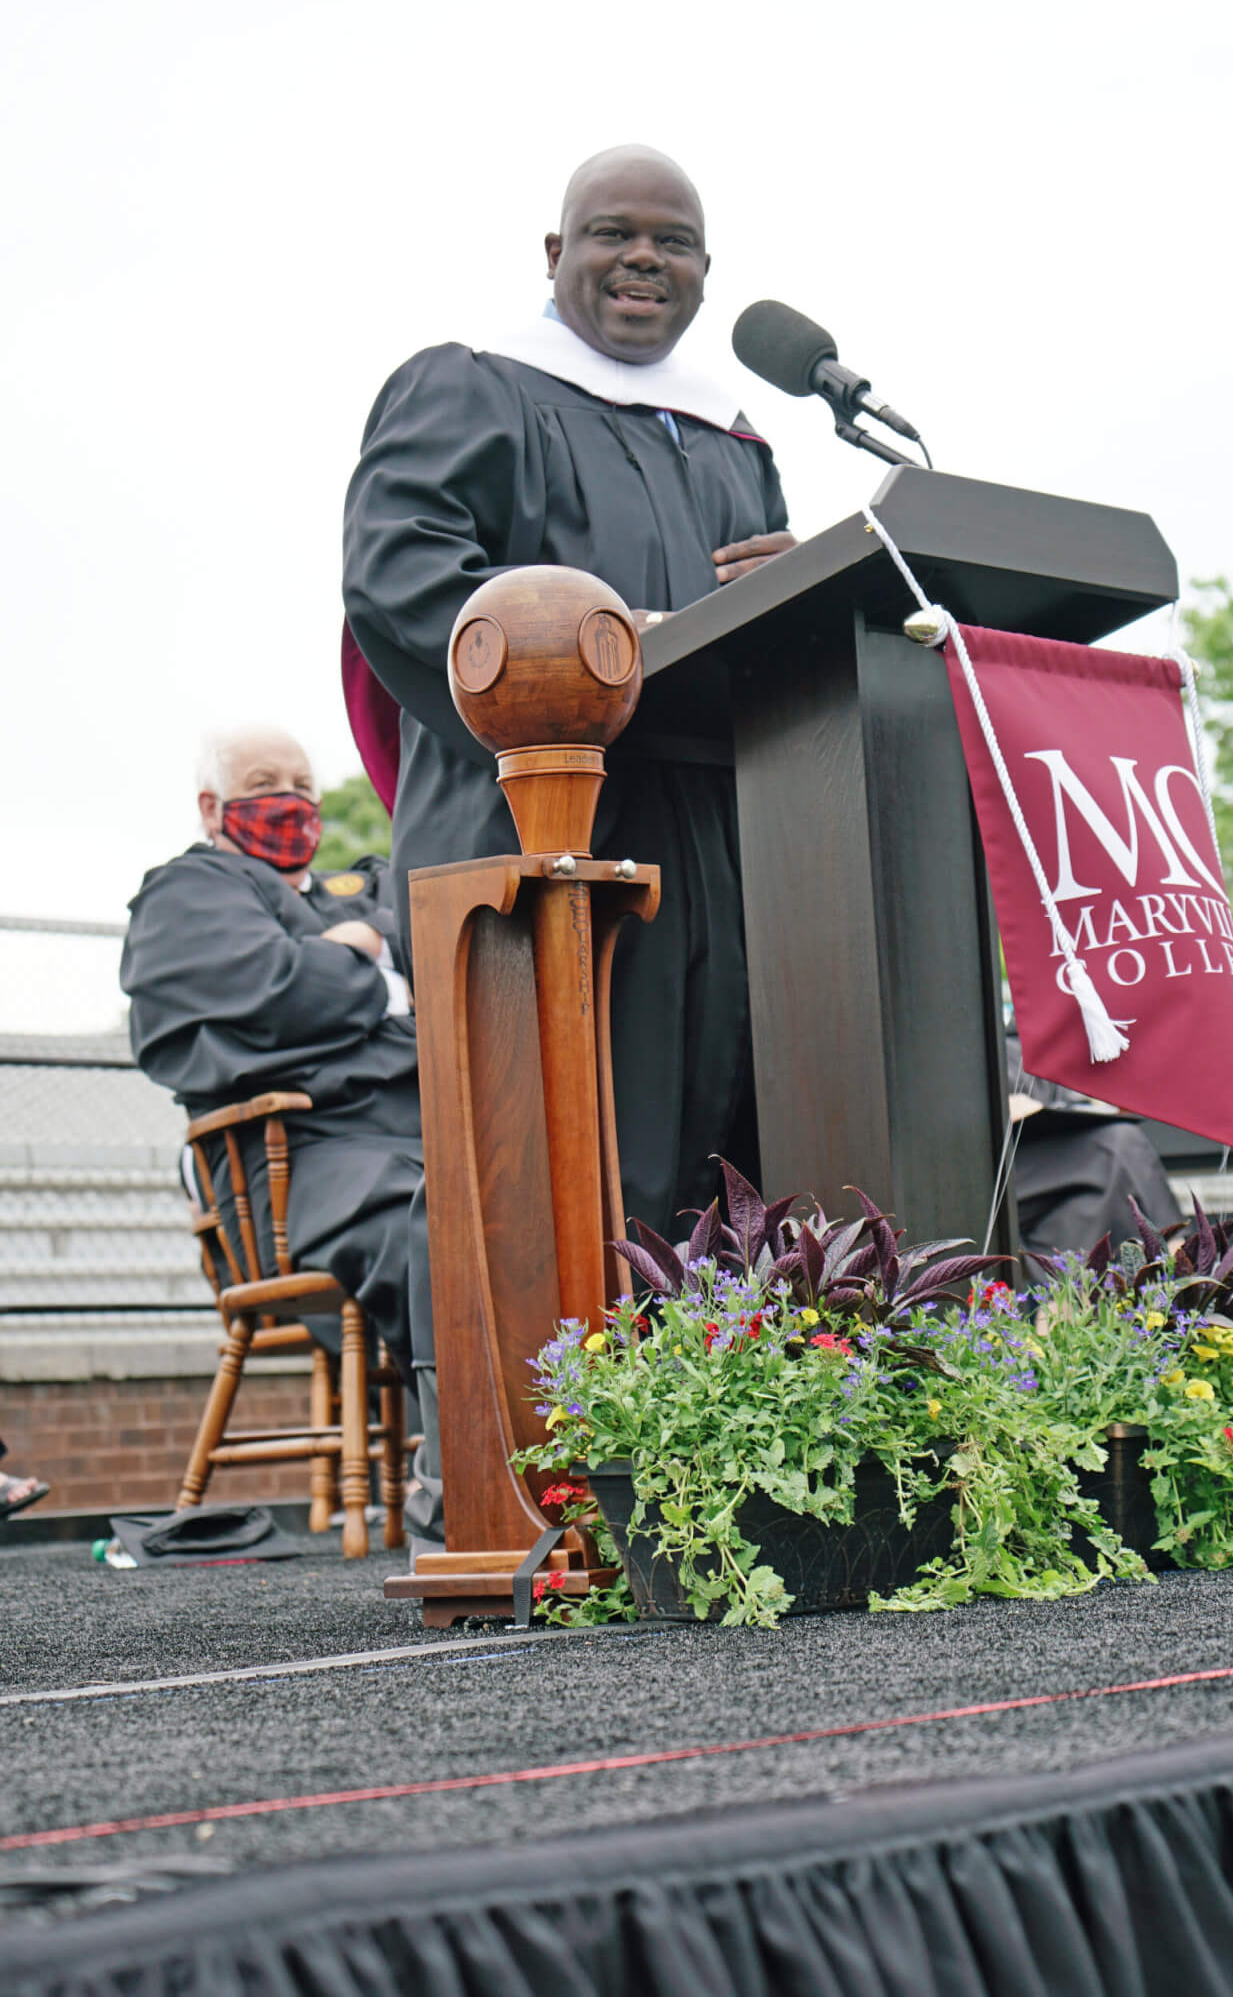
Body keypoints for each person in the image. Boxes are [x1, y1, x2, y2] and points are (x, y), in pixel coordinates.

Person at [342, 143, 795, 1250]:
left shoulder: (736, 442)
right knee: (561, 1201)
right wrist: (588, 643)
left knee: (727, 1186)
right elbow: (399, 575)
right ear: (556, 252)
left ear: (704, 270)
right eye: (614, 233)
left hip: (725, 853)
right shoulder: (470, 386)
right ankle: (536, 1426)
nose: (644, 257)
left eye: (673, 242)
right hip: (537, 838)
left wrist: (789, 605)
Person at [119, 727, 425, 1392]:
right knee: (431, 1234)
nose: (289, 800)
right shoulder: (190, 890)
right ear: (211, 808)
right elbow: (279, 994)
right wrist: (384, 978)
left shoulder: (365, 882)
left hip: (427, 1142)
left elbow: (430, 931)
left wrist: (361, 944)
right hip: (310, 1168)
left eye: (302, 787)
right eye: (263, 787)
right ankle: (468, 1466)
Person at [1004, 1030, 1181, 1272]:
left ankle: (1059, 1297)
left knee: (1092, 1200)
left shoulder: (1017, 1038)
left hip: (1031, 1154)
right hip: (975, 1167)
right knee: (1117, 1146)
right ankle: (1180, 1263)